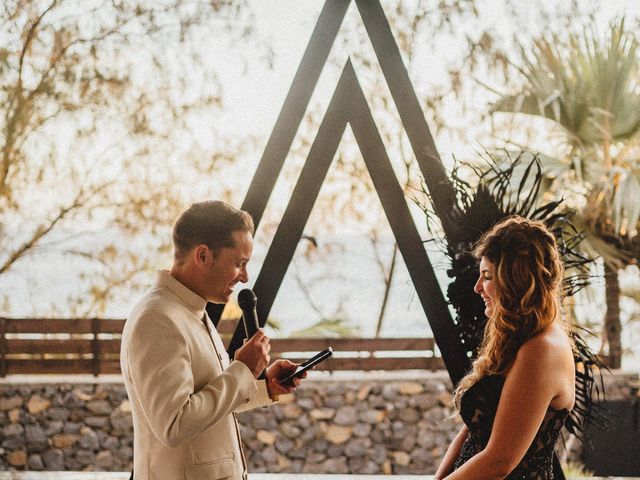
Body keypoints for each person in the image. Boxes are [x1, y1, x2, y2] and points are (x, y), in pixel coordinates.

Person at [120, 200, 303, 480]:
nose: (244, 277)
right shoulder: (157, 319)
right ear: (203, 255)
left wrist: (264, 385)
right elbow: (175, 423)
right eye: (239, 263)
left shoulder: (190, 311)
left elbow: (207, 400)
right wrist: (241, 370)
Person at [434, 216, 575, 479]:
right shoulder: (519, 340)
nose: (478, 288)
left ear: (515, 280)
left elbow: (499, 461)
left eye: (487, 277)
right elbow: (473, 433)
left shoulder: (541, 350)